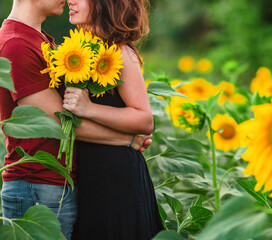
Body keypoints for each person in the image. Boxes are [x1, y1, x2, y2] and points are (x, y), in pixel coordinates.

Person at [0, 0, 151, 239]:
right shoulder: (17, 43)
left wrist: (126, 124)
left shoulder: (44, 41)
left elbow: (140, 116)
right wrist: (127, 138)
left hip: (64, 183)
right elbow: (56, 123)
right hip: (38, 184)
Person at [64, 0, 164, 239]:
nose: (71, 0)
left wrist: (88, 108)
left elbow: (144, 119)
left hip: (116, 178)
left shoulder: (119, 52)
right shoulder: (79, 50)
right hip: (91, 174)